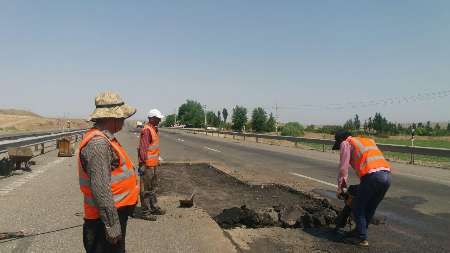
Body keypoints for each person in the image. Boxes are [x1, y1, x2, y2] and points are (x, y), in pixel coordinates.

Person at [78, 91, 139, 253]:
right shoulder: (98, 144)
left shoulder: (105, 138)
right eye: (122, 118)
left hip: (109, 217)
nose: (124, 121)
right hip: (103, 222)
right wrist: (112, 226)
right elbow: (101, 189)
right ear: (113, 118)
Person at [333, 130, 391, 247]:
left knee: (358, 208)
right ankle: (359, 232)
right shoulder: (367, 140)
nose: (340, 148)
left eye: (338, 146)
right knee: (369, 208)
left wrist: (341, 187)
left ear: (340, 141)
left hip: (372, 178)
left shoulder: (346, 143)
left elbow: (343, 168)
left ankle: (361, 238)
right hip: (386, 177)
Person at [138, 109, 166, 221]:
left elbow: (153, 148)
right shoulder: (147, 130)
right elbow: (143, 149)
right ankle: (146, 212)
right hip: (147, 165)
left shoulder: (153, 129)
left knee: (153, 187)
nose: (159, 120)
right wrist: (143, 165)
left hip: (153, 165)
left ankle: (154, 207)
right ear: (152, 118)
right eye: (158, 118)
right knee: (145, 189)